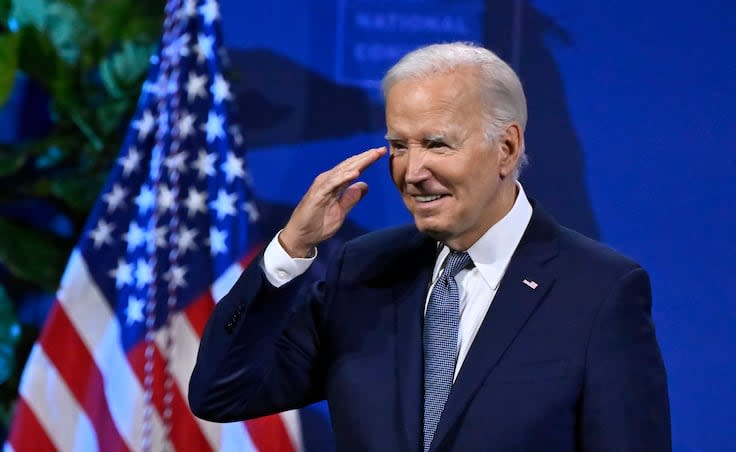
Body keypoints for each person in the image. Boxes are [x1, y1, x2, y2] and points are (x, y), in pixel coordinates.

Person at [188, 42, 671, 451]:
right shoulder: (360, 271)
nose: (412, 172)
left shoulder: (600, 291)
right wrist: (290, 249)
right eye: (399, 145)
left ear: (506, 148)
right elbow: (221, 394)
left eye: (437, 145)